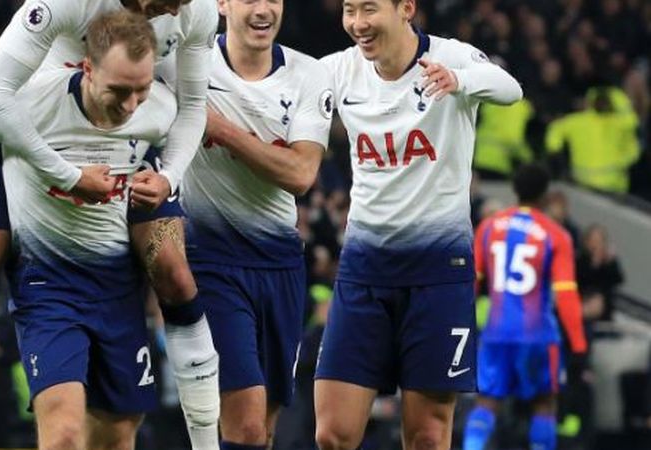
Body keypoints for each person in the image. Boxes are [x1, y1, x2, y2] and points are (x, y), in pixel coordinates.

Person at [0, 1, 221, 449]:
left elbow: (193, 106)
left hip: (130, 160)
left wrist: (169, 177)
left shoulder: (157, 95)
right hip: (27, 136)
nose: (177, 6)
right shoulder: (64, 20)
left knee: (175, 275)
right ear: (88, 66)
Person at [313, 1, 522, 448]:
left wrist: (460, 80)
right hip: (365, 269)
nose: (357, 23)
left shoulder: (449, 57)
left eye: (368, 9)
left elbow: (510, 89)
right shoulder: (336, 70)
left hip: (438, 273)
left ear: (405, 7)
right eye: (349, 10)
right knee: (333, 434)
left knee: (427, 435)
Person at [180, 0, 332, 447]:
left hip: (282, 265)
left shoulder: (309, 74)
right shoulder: (188, 63)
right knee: (244, 423)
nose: (264, 9)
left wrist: (220, 129)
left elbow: (301, 174)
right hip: (211, 261)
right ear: (222, 4)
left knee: (263, 428)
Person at [463, 164, 587, 450]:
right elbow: (566, 293)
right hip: (538, 335)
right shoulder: (556, 235)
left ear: (514, 190)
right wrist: (579, 344)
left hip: (495, 333)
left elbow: (470, 284)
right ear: (545, 194)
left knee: (486, 403)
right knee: (544, 404)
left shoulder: (488, 227)